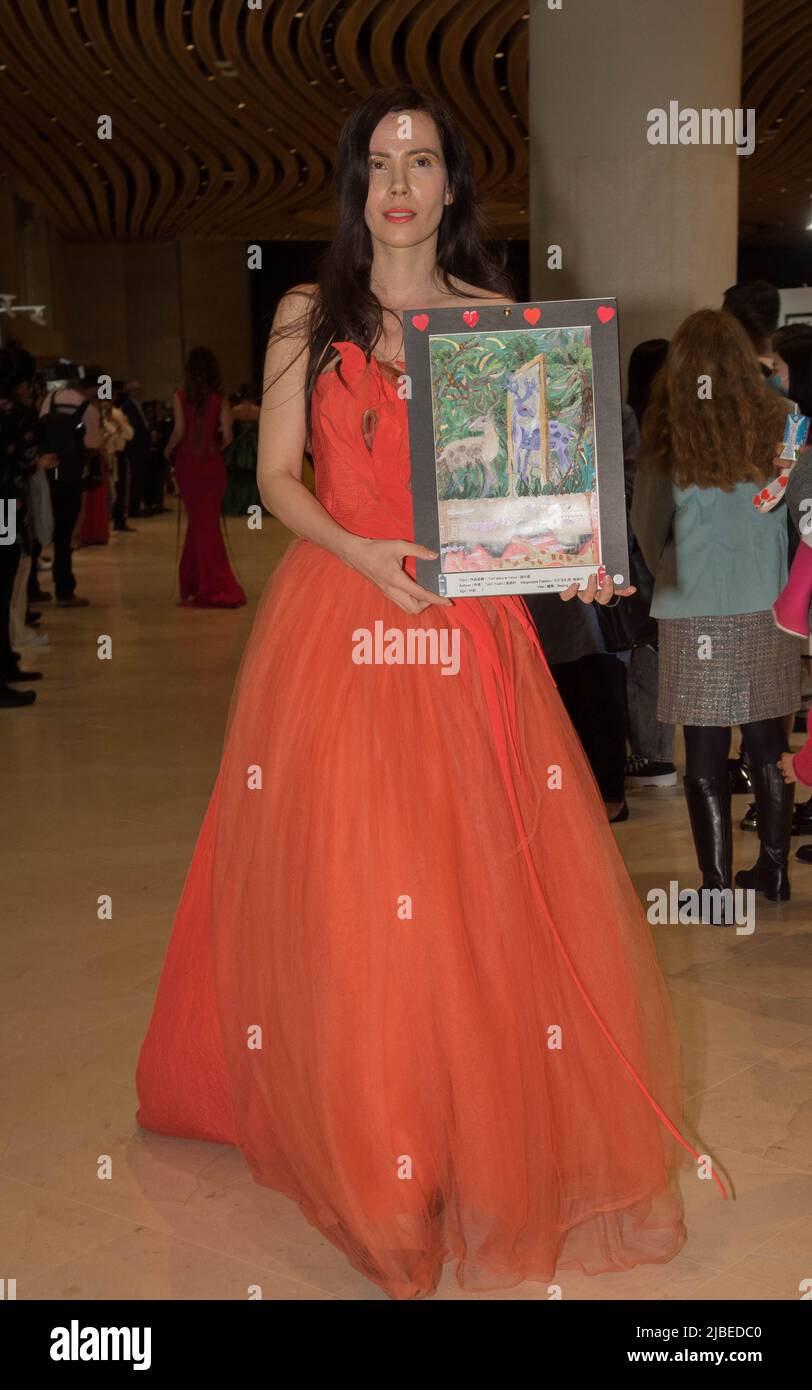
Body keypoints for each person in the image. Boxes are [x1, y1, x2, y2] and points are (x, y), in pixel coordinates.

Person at [136, 87, 727, 1301]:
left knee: (470, 894)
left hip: (469, 640)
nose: (398, 182)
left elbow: (537, 504)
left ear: (453, 186)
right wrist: (357, 553)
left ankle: (455, 1134)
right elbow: (278, 477)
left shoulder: (498, 324)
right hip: (341, 627)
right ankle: (379, 1166)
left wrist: (584, 551)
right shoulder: (311, 313)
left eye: (421, 160)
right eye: (376, 161)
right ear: (354, 184)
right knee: (356, 895)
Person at [631, 309, 800, 904]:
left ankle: (715, 885)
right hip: (767, 606)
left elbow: (648, 528)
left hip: (691, 606)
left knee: (704, 751)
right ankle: (774, 871)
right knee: (767, 745)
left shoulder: (667, 431)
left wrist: (672, 570)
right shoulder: (785, 423)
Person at [163, 348, 246, 608]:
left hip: (188, 466)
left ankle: (211, 587)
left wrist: (166, 451)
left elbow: (178, 432)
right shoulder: (219, 399)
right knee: (204, 525)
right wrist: (214, 448)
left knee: (200, 525)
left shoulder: (180, 396)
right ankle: (199, 584)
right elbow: (229, 437)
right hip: (211, 468)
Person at [38, 366, 104, 607]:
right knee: (64, 535)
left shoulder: (50, 399)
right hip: (69, 476)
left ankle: (28, 592)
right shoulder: (88, 409)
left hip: (41, 476)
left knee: (27, 536)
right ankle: (64, 590)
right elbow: (93, 444)